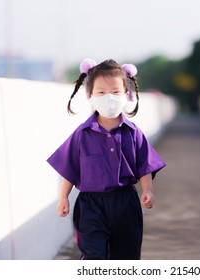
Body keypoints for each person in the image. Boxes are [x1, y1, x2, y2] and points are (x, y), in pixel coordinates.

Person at [47, 58, 166, 260]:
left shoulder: (133, 133)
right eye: (101, 92)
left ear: (126, 94)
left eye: (115, 92)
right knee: (94, 255)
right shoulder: (82, 134)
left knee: (125, 256)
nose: (108, 97)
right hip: (90, 205)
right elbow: (70, 167)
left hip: (125, 203)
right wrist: (63, 197)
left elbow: (144, 164)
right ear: (89, 95)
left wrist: (147, 190)